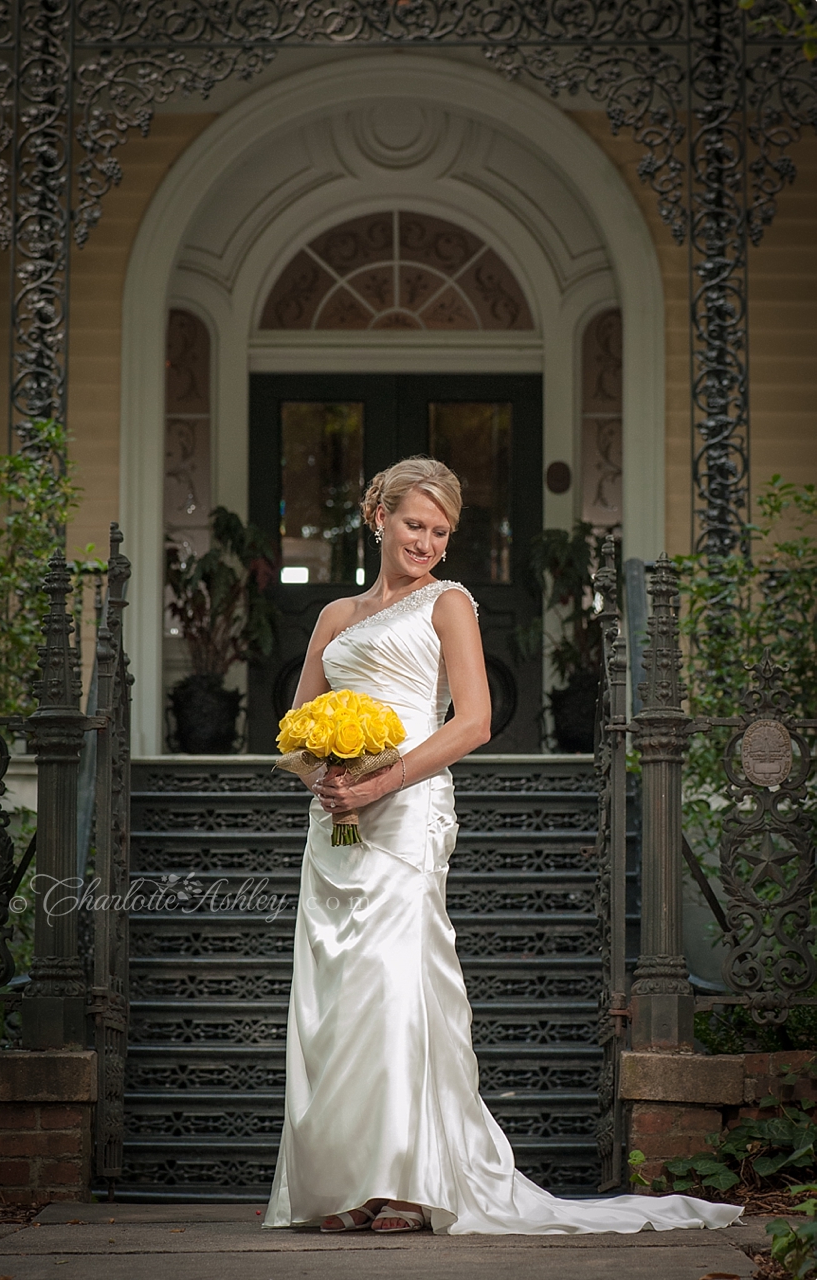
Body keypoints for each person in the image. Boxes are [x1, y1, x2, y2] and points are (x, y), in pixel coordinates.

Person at [263, 456, 741, 1236]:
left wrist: (378, 783)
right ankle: (342, 1183)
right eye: (414, 523)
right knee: (333, 995)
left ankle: (411, 1184)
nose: (426, 541)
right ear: (376, 515)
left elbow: (475, 722)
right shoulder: (333, 619)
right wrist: (323, 775)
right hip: (336, 819)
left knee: (397, 987)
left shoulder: (448, 604)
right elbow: (297, 722)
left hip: (408, 811)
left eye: (441, 531)